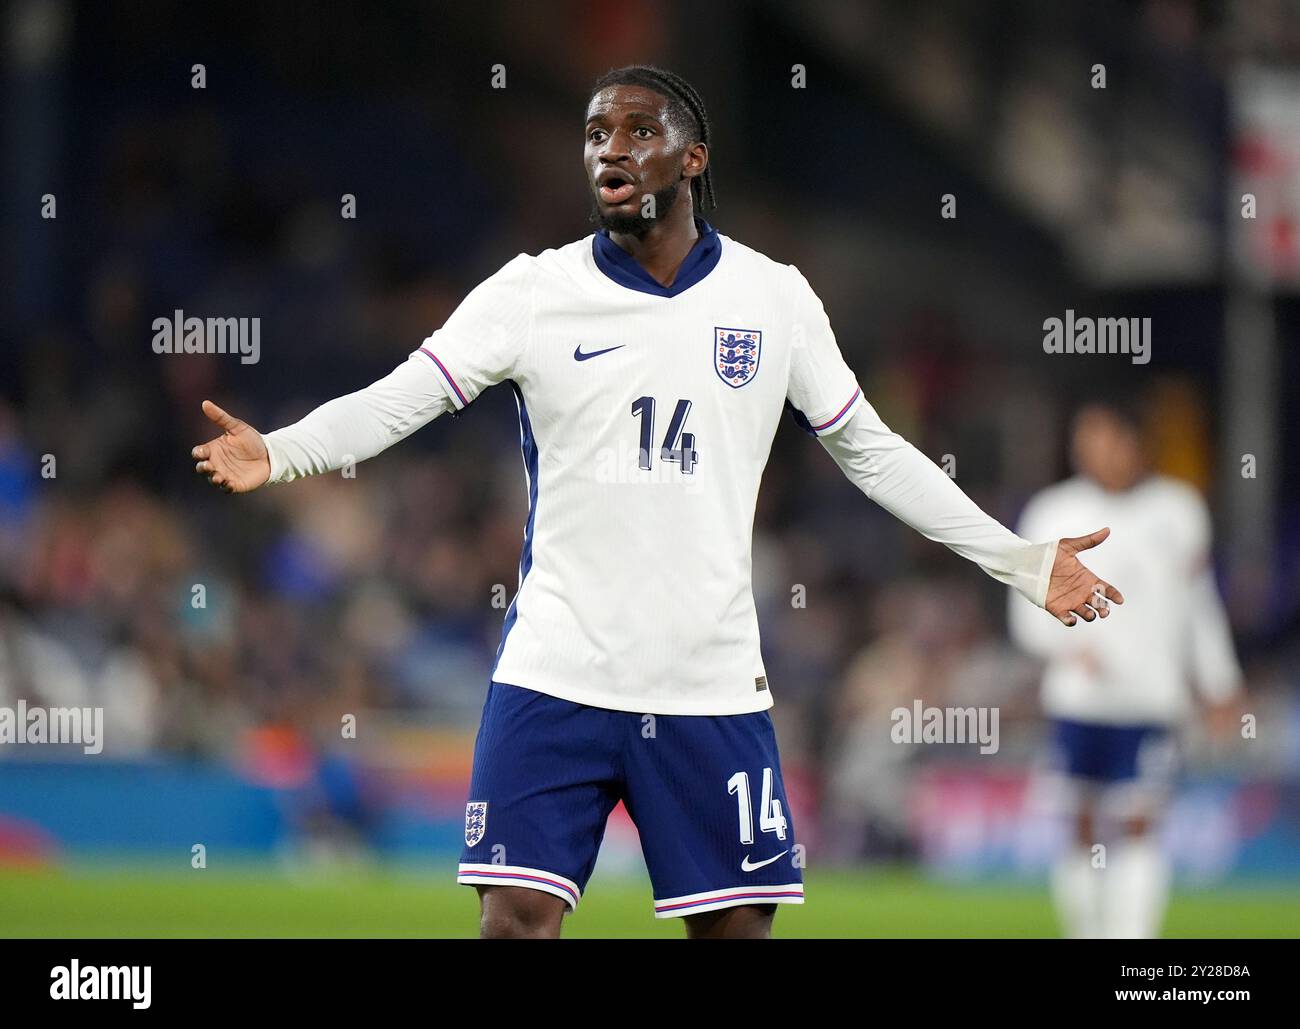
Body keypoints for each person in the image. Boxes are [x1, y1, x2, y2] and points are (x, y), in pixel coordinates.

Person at [191, 65, 1122, 938]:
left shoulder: (774, 298)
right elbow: (404, 393)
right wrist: (282, 451)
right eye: (597, 133)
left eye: (640, 131)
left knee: (734, 930)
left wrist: (1024, 560)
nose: (611, 150)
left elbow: (873, 453)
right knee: (512, 920)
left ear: (693, 157)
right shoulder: (534, 292)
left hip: (707, 682)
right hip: (556, 672)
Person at [1009, 399, 1241, 938]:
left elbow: (1199, 605)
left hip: (1152, 698)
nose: (1093, 451)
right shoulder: (1052, 510)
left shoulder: (1179, 510)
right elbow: (1023, 607)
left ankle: (1132, 943)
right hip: (1078, 698)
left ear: (1133, 442)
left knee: (1140, 822)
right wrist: (1064, 649)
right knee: (1080, 825)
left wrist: (1221, 682)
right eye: (1083, 441)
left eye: (1104, 438)